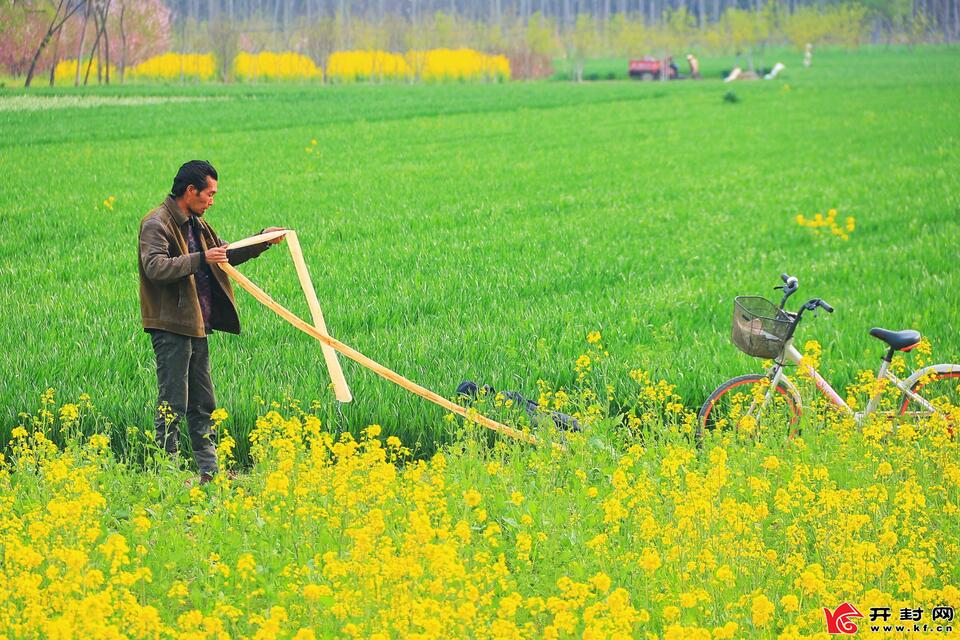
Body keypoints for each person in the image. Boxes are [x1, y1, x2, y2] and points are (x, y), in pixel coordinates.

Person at [138, 160, 284, 484]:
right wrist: (202, 259)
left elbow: (224, 254)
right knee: (172, 404)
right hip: (172, 327)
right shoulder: (156, 224)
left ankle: (209, 472)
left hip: (198, 325)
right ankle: (168, 476)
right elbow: (156, 268)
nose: (212, 200)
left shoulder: (196, 224)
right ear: (191, 191)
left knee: (203, 402)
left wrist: (262, 240)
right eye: (209, 194)